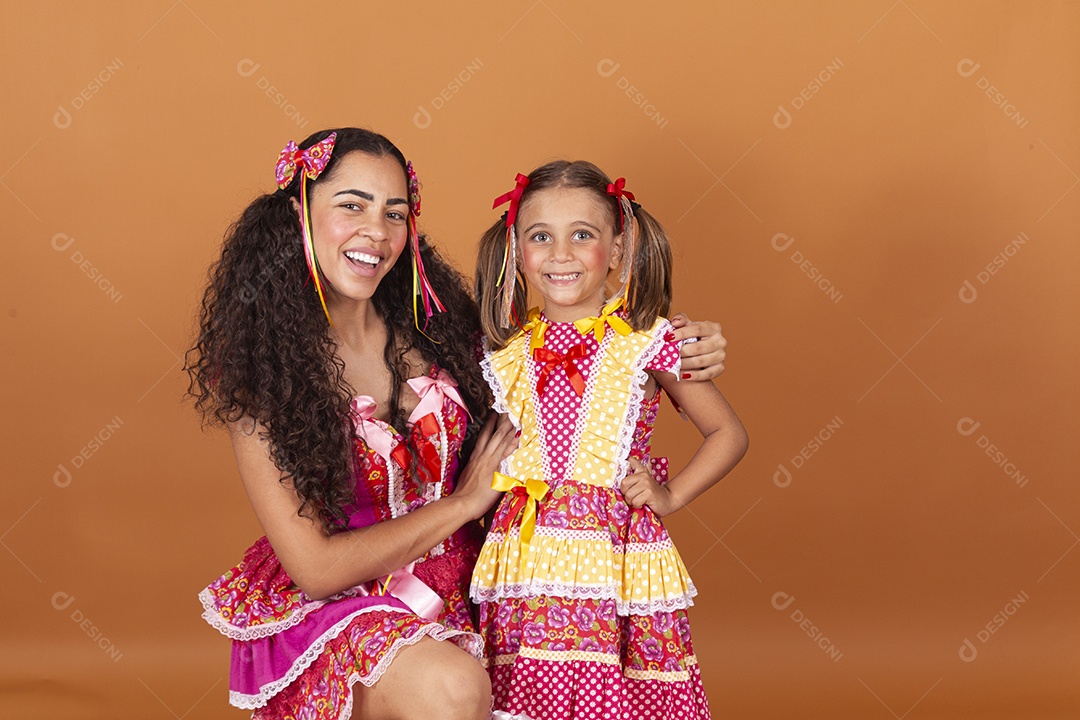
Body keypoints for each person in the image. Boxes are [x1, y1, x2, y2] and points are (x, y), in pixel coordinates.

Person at [186, 127, 730, 720]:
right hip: (348, 601)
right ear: (298, 214)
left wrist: (682, 343)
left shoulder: (444, 331)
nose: (376, 231)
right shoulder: (261, 374)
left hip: (480, 579)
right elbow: (316, 570)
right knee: (454, 687)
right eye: (351, 205)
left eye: (395, 213)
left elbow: (562, 361)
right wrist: (463, 504)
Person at [470, 161, 749, 720]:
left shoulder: (647, 341)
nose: (561, 253)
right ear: (515, 250)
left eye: (583, 235)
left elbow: (728, 433)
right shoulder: (498, 350)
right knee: (524, 695)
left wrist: (670, 496)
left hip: (612, 548)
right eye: (540, 236)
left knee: (617, 695)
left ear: (618, 250)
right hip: (525, 555)